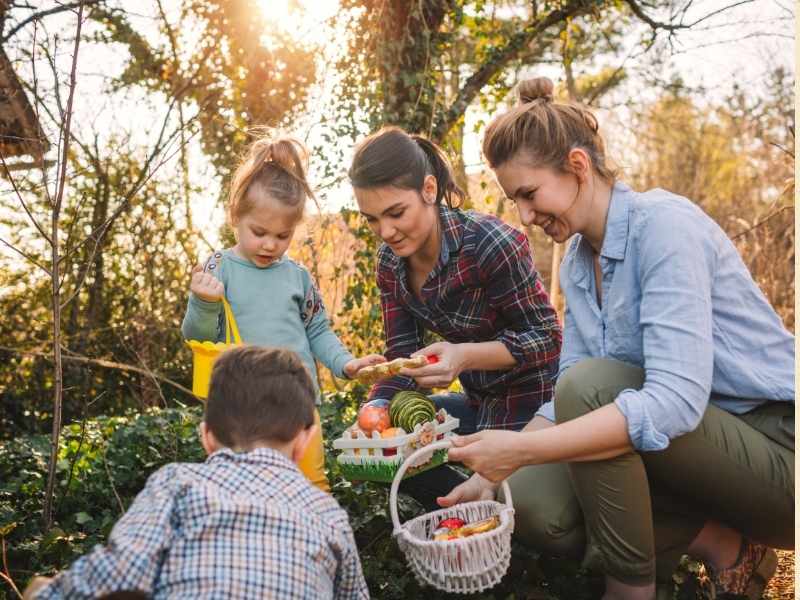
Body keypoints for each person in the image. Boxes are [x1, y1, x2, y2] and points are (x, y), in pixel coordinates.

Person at [439, 77, 794, 600]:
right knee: (535, 503)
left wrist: (523, 444)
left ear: (578, 167)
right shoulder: (582, 264)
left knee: (592, 388)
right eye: (516, 200)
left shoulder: (664, 229)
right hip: (695, 457)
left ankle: (629, 590)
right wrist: (501, 469)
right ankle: (725, 547)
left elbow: (672, 400)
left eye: (529, 194)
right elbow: (567, 394)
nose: (525, 216)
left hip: (776, 452)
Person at [24, 346, 370, 599]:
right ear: (305, 440)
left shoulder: (178, 483)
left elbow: (119, 574)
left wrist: (45, 593)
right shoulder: (327, 515)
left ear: (206, 437)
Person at [348, 126, 562, 509]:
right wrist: (375, 411)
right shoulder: (389, 265)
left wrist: (463, 356)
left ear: (429, 190)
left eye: (396, 213)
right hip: (479, 404)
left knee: (530, 509)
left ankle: (498, 508)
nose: (386, 232)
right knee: (396, 450)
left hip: (536, 406)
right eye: (372, 220)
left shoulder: (489, 243)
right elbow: (401, 354)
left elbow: (547, 338)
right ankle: (469, 512)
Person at [181, 135, 384, 492]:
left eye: (282, 235)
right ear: (235, 216)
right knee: (244, 492)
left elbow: (318, 331)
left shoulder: (297, 277)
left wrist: (346, 364)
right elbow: (197, 336)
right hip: (240, 407)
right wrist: (204, 302)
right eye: (259, 232)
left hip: (298, 403)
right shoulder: (219, 268)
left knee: (311, 485)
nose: (270, 244)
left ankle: (316, 545)